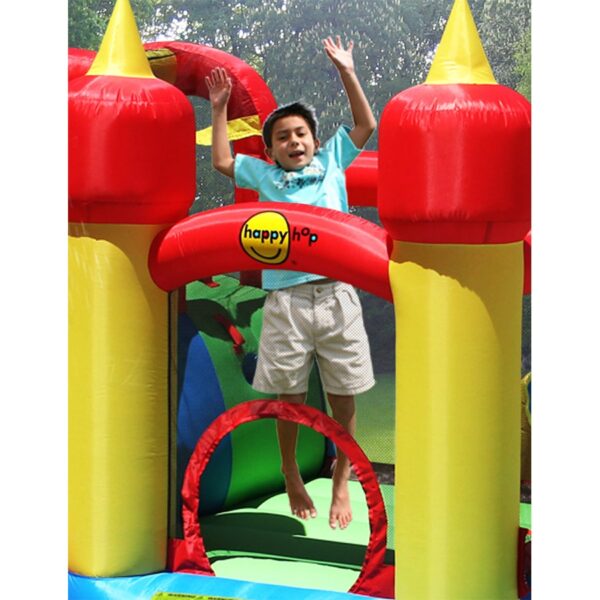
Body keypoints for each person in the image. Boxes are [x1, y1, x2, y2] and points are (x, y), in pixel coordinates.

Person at [206, 36, 376, 530]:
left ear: (315, 142)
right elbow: (222, 162)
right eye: (283, 137)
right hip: (287, 299)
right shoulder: (265, 177)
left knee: (344, 395)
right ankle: (289, 469)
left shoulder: (332, 162)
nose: (294, 141)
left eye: (301, 134)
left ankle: (342, 476)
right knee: (289, 396)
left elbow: (366, 125)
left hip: (337, 293)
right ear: (270, 151)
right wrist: (218, 109)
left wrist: (347, 71)